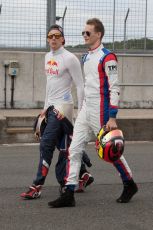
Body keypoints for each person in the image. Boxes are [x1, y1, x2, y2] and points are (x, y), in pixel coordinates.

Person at [48, 18, 138, 208]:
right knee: (74, 149)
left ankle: (129, 182)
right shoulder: (86, 57)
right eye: (83, 33)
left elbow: (114, 88)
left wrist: (112, 116)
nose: (85, 35)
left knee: (110, 151)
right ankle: (69, 192)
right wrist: (82, 108)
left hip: (102, 111)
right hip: (86, 109)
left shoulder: (108, 57)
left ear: (98, 34)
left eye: (88, 33)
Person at [20, 24, 94, 199]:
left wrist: (80, 111)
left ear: (63, 39)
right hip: (51, 108)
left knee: (46, 144)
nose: (53, 38)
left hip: (63, 108)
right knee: (63, 144)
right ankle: (83, 174)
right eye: (50, 36)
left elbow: (80, 86)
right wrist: (45, 108)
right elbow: (49, 84)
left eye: (57, 36)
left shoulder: (70, 58)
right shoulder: (47, 57)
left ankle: (37, 186)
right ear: (47, 39)